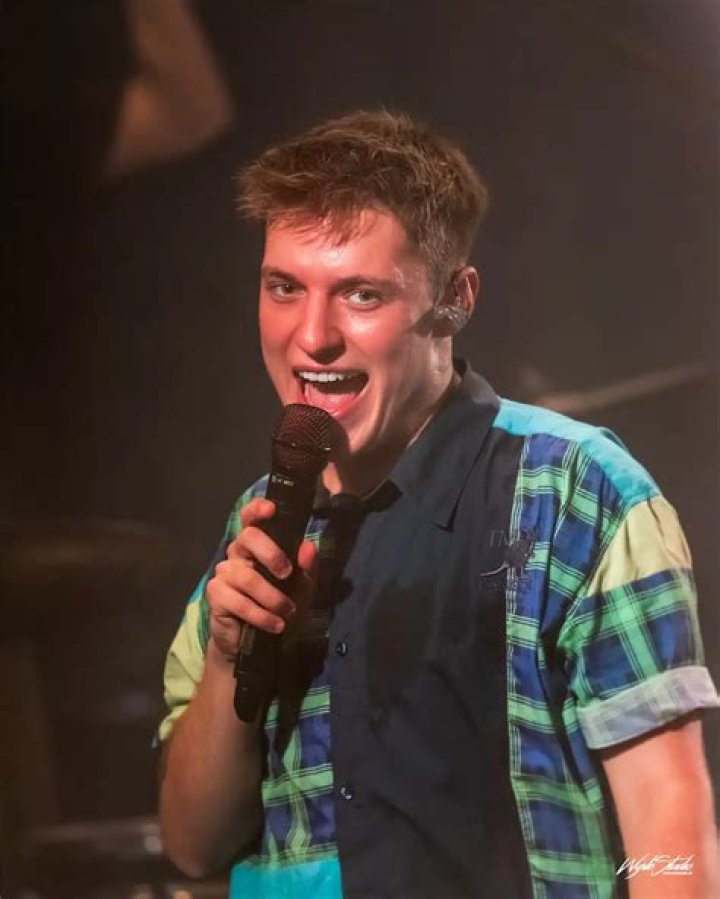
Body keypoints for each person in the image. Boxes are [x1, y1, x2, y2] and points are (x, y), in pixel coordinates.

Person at [157, 110, 718, 898]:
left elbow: (671, 838)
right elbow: (191, 845)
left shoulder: (574, 492)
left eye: (360, 294)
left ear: (454, 300)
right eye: (284, 287)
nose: (311, 336)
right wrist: (228, 660)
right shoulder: (259, 521)